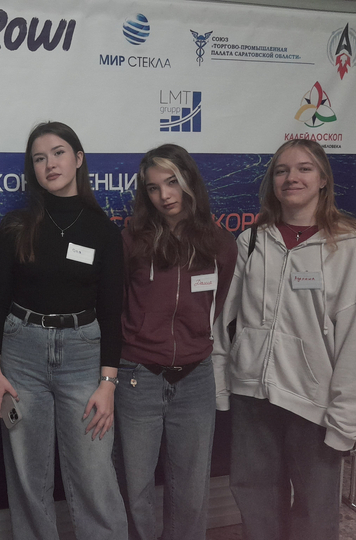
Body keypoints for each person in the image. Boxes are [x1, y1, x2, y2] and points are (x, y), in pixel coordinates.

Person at [212, 139, 356, 540]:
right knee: (254, 498)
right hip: (252, 397)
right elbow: (221, 320)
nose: (292, 177)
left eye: (304, 168)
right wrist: (221, 382)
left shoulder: (348, 246)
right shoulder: (252, 240)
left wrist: (348, 420)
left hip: (313, 403)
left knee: (314, 510)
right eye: (282, 170)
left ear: (323, 179)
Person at [0, 121, 128, 540]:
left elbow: (112, 312)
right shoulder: (16, 224)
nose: (50, 164)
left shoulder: (103, 230)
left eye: (59, 152)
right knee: (29, 476)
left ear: (78, 159)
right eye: (39, 158)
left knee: (94, 474)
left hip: (83, 356)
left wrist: (108, 384)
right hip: (21, 354)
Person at [116, 144, 237, 540]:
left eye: (172, 182)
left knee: (191, 488)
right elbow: (117, 303)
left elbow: (218, 304)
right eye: (153, 188)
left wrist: (193, 339)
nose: (164, 195)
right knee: (135, 486)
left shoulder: (220, 243)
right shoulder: (132, 239)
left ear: (189, 181)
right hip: (138, 375)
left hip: (195, 378)